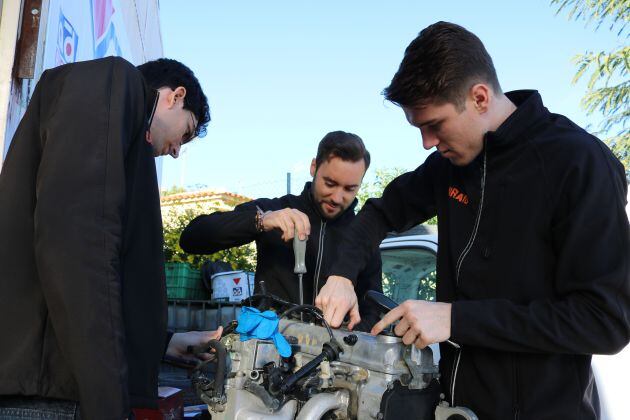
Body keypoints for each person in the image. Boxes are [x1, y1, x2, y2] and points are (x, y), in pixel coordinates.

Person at [314, 22, 630, 419]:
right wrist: (342, 276)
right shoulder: (449, 166)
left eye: (435, 125)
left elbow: (605, 321)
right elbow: (380, 212)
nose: (427, 142)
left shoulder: (579, 164)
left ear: (479, 97)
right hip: (457, 408)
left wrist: (456, 319)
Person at [0, 56, 221, 419]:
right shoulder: (114, 81)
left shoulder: (120, 125)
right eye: (186, 132)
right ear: (175, 97)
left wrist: (163, 342)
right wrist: (109, 405)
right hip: (51, 395)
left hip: (56, 388)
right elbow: (80, 248)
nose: (178, 149)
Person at [180, 131, 382, 331]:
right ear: (314, 167)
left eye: (349, 189)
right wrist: (260, 221)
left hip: (330, 356)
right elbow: (192, 238)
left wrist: (347, 339)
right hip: (269, 350)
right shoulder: (276, 211)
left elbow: (372, 309)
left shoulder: (362, 237)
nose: (337, 198)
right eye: (330, 183)